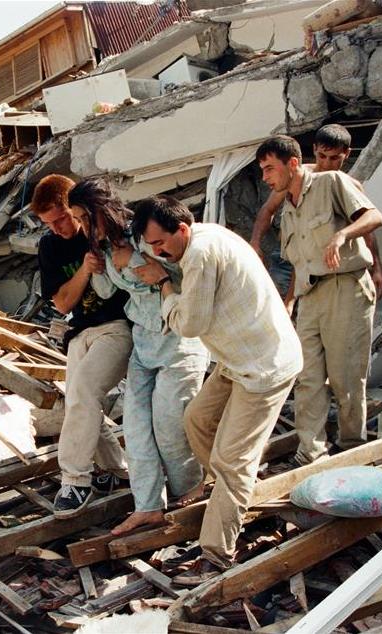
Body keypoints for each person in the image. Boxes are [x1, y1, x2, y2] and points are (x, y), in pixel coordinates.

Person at [131, 195, 302, 585]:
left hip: (264, 368)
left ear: (182, 229)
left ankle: (217, 553)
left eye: (161, 244)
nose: (158, 253)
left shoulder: (200, 255)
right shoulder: (200, 238)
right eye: (151, 247)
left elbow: (189, 324)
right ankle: (227, 489)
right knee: (197, 419)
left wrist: (162, 286)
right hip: (236, 359)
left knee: (234, 458)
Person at [66, 178, 208, 535]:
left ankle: (189, 491)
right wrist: (96, 268)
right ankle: (147, 506)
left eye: (85, 217)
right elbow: (108, 289)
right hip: (143, 341)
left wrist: (141, 260)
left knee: (169, 426)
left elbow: (182, 274)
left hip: (177, 339)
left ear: (101, 210)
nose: (82, 226)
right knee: (136, 427)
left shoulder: (145, 234)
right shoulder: (105, 247)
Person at [255, 135, 382, 466]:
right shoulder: (288, 204)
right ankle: (310, 453)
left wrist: (342, 235)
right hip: (309, 296)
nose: (266, 177)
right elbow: (301, 261)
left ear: (293, 164)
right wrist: (289, 301)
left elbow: (373, 218)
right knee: (308, 376)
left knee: (345, 377)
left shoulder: (332, 182)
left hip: (346, 288)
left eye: (270, 169)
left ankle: (351, 448)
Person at [31, 174, 131, 518]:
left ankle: (74, 480)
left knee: (84, 392)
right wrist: (86, 271)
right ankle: (118, 472)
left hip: (117, 327)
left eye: (61, 218)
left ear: (74, 207)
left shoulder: (99, 229)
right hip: (78, 331)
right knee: (78, 400)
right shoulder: (50, 246)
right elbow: (62, 303)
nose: (57, 228)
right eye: (48, 223)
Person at [249, 124, 382, 305]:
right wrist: (255, 242)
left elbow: (368, 227)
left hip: (330, 270)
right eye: (322, 156)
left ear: (346, 154)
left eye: (335, 158)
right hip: (293, 261)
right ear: (314, 150)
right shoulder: (295, 178)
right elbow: (268, 210)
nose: (327, 164)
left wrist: (377, 268)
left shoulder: (346, 185)